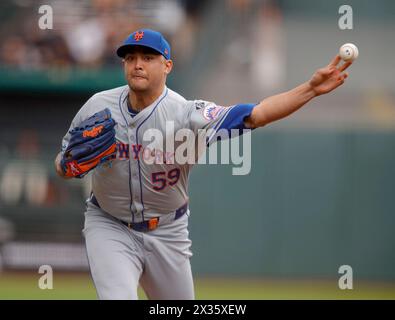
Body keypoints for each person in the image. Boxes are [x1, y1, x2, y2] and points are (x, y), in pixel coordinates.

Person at [54, 28, 352, 300]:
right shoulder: (98, 106)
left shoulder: (186, 114)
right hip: (109, 224)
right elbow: (63, 164)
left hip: (167, 231)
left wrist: (310, 89)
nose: (137, 64)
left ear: (167, 66)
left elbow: (256, 115)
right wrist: (68, 165)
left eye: (148, 57)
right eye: (130, 58)